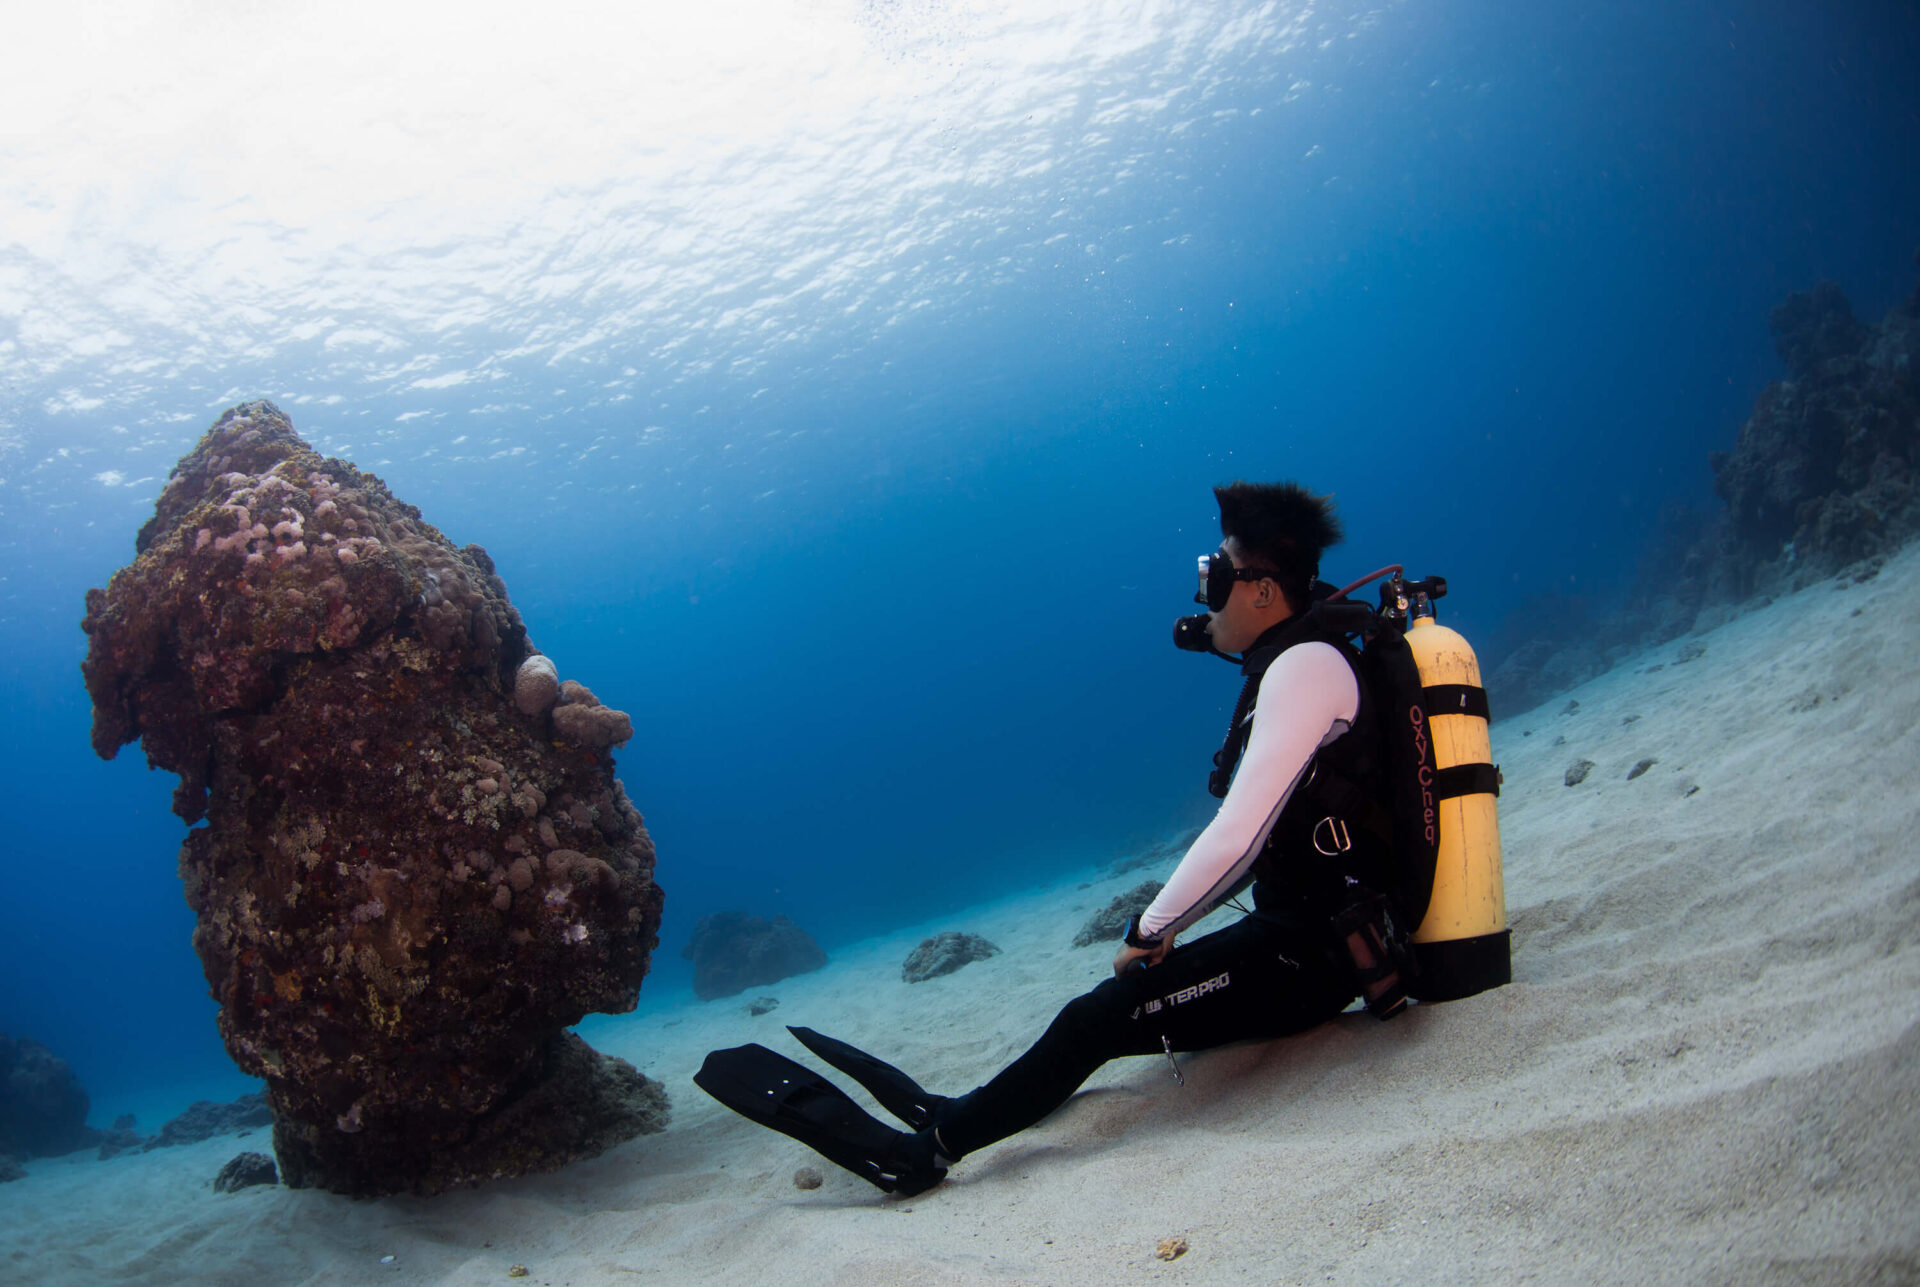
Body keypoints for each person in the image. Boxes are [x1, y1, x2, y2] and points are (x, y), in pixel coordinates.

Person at [697, 480, 1389, 1196]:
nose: (1202, 595)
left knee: (1096, 1018)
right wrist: (1175, 924)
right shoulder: (1302, 657)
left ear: (1264, 593)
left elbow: (1239, 837)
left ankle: (927, 1150)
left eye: (1212, 576)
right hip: (1316, 930)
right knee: (1104, 1019)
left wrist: (1150, 929)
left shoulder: (1304, 667)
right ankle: (967, 1111)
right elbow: (1277, 831)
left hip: (1321, 954)